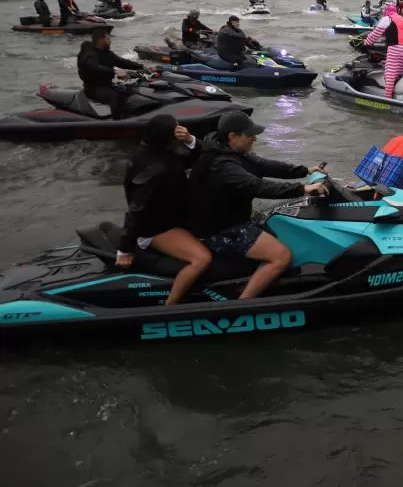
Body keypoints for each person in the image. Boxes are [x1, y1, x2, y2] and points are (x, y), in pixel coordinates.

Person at [187, 112, 328, 300]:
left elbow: (265, 165)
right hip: (221, 230)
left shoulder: (231, 151)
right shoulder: (221, 164)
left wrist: (305, 170)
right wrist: (304, 188)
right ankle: (242, 305)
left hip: (232, 219)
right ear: (233, 136)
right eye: (249, 135)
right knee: (281, 256)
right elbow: (257, 186)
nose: (254, 139)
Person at [117, 114, 211, 305]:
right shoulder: (149, 168)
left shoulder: (164, 153)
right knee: (201, 259)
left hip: (175, 220)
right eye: (175, 130)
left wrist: (191, 140)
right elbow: (137, 209)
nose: (179, 132)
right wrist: (124, 249)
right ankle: (171, 305)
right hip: (156, 229)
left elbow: (198, 158)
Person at [77, 29, 145, 118]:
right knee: (115, 96)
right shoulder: (90, 54)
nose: (110, 41)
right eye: (108, 39)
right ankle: (117, 123)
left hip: (108, 85)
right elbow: (94, 66)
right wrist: (115, 71)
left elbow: (122, 62)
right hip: (93, 88)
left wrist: (142, 66)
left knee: (131, 91)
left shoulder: (107, 53)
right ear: (101, 40)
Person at [363, 3, 403, 98]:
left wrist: (366, 43)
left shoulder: (387, 19)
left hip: (394, 50)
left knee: (390, 75)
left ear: (387, 11)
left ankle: (388, 99)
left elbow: (375, 34)